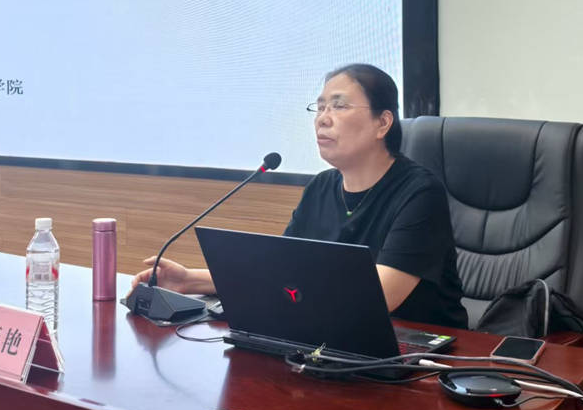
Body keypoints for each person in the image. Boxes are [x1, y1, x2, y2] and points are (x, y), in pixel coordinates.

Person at [130, 63, 467, 329]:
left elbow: (378, 298)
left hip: (419, 357)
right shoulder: (320, 187)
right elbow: (282, 276)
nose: (323, 119)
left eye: (339, 106)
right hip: (335, 340)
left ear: (383, 123)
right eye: (319, 108)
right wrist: (190, 280)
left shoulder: (419, 193)